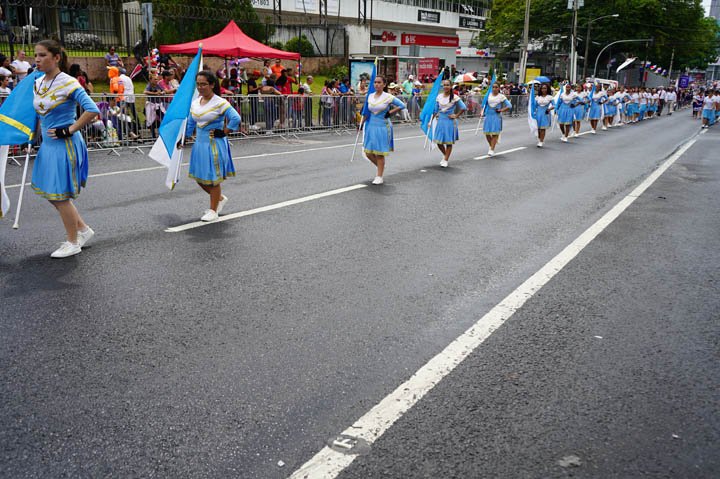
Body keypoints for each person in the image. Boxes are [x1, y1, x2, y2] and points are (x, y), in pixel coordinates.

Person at [30, 39, 100, 258]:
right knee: (51, 193)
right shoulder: (37, 82)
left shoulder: (68, 82)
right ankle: (83, 230)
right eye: (36, 55)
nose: (37, 59)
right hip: (48, 145)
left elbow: (92, 109)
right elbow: (38, 113)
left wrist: (69, 129)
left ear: (56, 57)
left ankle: (72, 242)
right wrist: (31, 136)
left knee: (60, 196)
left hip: (65, 145)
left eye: (42, 55)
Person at [181, 70, 241, 221]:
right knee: (199, 177)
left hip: (214, 144)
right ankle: (219, 199)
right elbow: (191, 122)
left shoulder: (220, 102)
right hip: (199, 145)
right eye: (198, 84)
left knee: (212, 178)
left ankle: (213, 211)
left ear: (212, 85)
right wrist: (184, 138)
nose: (200, 87)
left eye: (204, 84)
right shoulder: (196, 102)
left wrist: (224, 131)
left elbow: (235, 118)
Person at [361, 76, 406, 184]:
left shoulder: (388, 97)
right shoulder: (370, 96)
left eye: (379, 82)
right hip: (370, 126)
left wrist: (390, 112)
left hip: (382, 126)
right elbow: (366, 112)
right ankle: (381, 166)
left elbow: (402, 105)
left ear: (384, 84)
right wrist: (361, 124)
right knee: (368, 153)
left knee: (379, 153)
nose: (376, 84)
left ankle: (379, 176)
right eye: (375, 82)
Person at [432, 78, 467, 167]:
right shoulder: (439, 96)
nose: (446, 87)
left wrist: (456, 115)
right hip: (440, 121)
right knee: (439, 142)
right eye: (444, 85)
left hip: (449, 121)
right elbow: (435, 110)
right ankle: (445, 156)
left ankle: (446, 159)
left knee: (448, 142)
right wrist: (430, 120)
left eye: (447, 85)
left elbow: (463, 107)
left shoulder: (455, 97)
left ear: (451, 86)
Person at [482, 82, 511, 156]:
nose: (494, 89)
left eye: (496, 87)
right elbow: (484, 105)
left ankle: (492, 149)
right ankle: (491, 145)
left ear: (499, 88)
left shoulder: (501, 96)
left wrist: (501, 110)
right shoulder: (488, 95)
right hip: (488, 116)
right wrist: (482, 112)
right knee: (487, 133)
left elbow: (509, 106)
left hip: (496, 116)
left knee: (495, 133)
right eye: (493, 87)